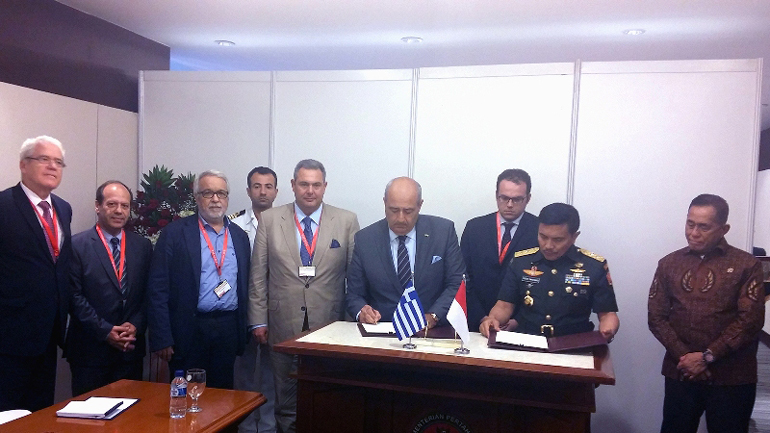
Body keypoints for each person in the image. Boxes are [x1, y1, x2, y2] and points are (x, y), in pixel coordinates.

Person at [249, 159, 359, 433]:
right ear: (293, 185)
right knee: (285, 401)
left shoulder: (346, 221)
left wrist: (351, 323)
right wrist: (258, 320)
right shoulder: (270, 220)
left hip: (330, 324)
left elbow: (355, 278)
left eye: (316, 185)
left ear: (325, 186)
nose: (310, 191)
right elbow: (258, 275)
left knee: (327, 396)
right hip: (282, 323)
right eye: (304, 184)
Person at [648, 194, 765, 433]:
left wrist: (707, 357)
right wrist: (686, 358)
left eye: (704, 227)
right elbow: (656, 316)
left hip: (732, 376)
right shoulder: (669, 263)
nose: (694, 233)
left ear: (723, 229)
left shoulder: (747, 264)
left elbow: (750, 321)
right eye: (690, 224)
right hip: (681, 372)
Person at [147, 170, 251, 389]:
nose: (215, 199)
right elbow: (158, 288)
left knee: (223, 396)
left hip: (227, 329)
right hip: (189, 329)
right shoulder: (175, 233)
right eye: (208, 193)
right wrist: (162, 337)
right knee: (187, 396)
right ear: (196, 197)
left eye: (221, 193)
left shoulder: (239, 236)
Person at [0, 136, 72, 411]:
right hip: (10, 335)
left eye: (58, 162)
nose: (53, 166)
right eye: (44, 159)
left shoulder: (63, 208)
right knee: (8, 414)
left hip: (49, 333)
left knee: (40, 412)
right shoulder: (4, 205)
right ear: (23, 165)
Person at [480, 203, 619, 340]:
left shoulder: (593, 266)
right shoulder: (521, 261)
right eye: (543, 237)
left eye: (558, 240)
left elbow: (607, 314)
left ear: (574, 237)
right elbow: (504, 306)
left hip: (574, 344)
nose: (548, 245)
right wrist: (492, 319)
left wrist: (608, 329)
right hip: (527, 341)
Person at [65, 181, 153, 396]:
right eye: (112, 204)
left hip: (130, 350)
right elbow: (73, 296)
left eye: (125, 205)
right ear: (98, 206)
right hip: (90, 351)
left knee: (132, 412)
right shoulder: (76, 245)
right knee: (89, 415)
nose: (119, 211)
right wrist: (105, 331)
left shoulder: (142, 246)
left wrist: (136, 324)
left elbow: (149, 293)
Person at [346, 177, 464, 327]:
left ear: (420, 205)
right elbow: (354, 295)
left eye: (408, 211)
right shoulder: (366, 239)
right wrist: (361, 311)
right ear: (384, 203)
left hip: (431, 331)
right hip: (382, 329)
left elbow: (457, 283)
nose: (400, 219)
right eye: (394, 210)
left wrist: (434, 316)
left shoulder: (443, 232)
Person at [229, 166, 278, 433]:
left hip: (276, 306)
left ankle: (268, 425)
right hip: (242, 305)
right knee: (244, 370)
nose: (263, 192)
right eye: (257, 186)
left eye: (268, 186)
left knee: (272, 372)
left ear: (276, 191)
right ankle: (246, 425)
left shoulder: (285, 223)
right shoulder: (233, 224)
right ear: (248, 191)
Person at [461, 169, 539, 330]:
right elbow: (463, 277)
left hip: (523, 325)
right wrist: (482, 318)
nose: (509, 205)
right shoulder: (475, 228)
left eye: (517, 199)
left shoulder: (539, 231)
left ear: (528, 198)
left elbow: (544, 283)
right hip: (476, 321)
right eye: (504, 198)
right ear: (496, 195)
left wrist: (518, 320)